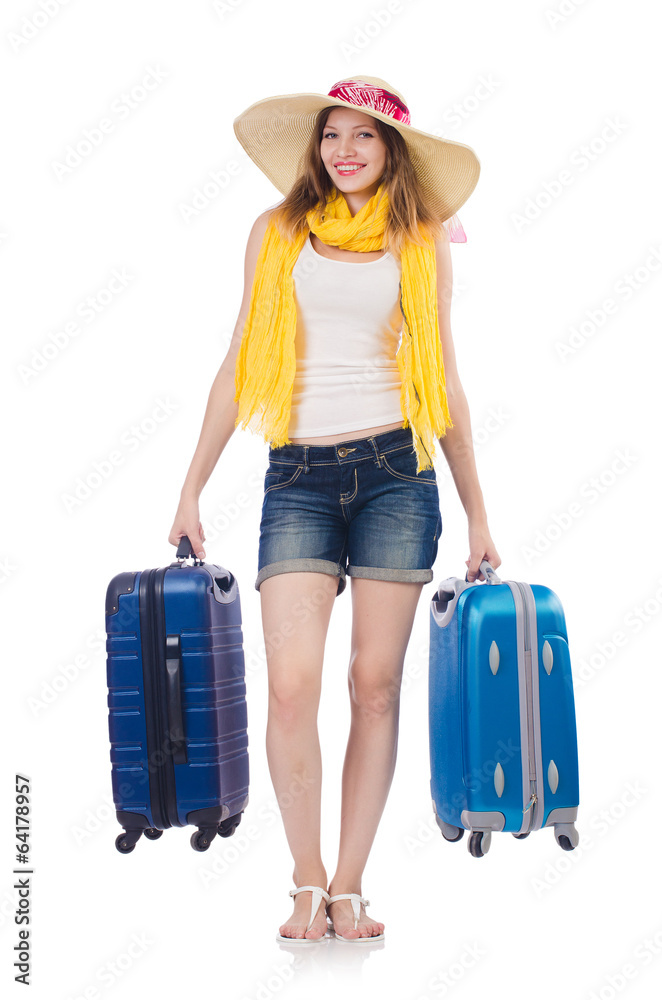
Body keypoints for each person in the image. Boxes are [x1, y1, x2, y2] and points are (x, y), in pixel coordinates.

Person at [168, 76, 501, 944]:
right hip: (299, 480)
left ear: (392, 152)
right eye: (331, 137)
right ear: (315, 150)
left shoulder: (421, 240)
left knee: (374, 686)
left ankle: (350, 884)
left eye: (365, 137)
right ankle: (304, 880)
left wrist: (478, 516)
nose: (345, 151)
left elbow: (448, 384)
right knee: (290, 688)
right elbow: (241, 361)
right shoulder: (277, 233)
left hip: (398, 472)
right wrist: (191, 486)